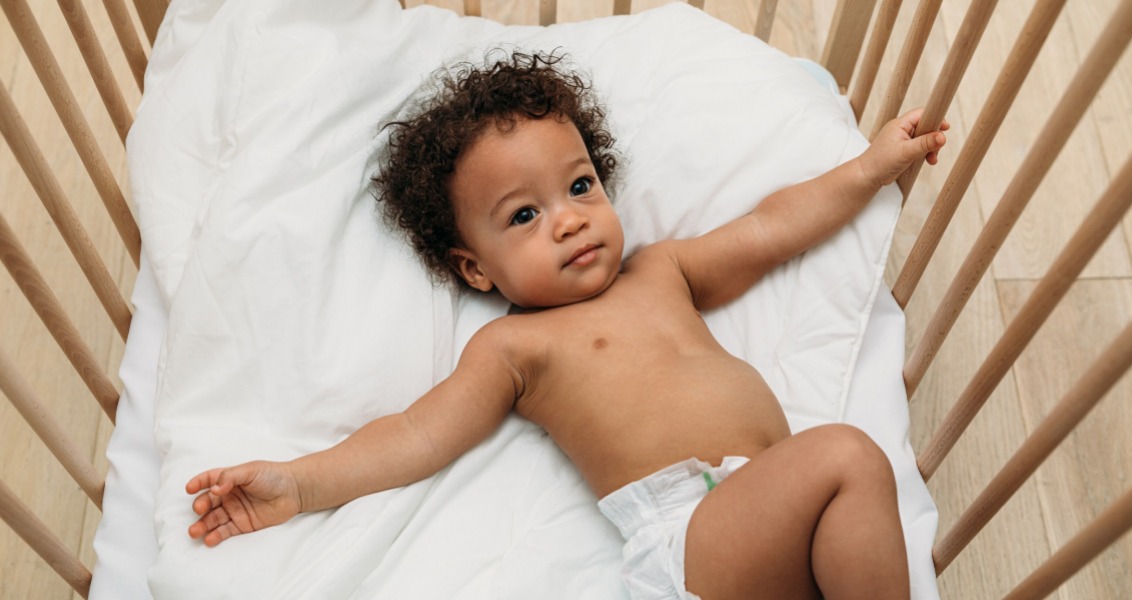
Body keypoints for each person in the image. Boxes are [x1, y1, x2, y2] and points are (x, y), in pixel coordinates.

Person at [186, 50, 948, 600]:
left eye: (580, 185)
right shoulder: (517, 346)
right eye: (523, 215)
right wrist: (299, 484)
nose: (569, 221)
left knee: (840, 478)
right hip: (694, 533)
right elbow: (417, 435)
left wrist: (868, 167)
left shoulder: (660, 270)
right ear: (476, 270)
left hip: (771, 520)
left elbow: (771, 228)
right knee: (847, 455)